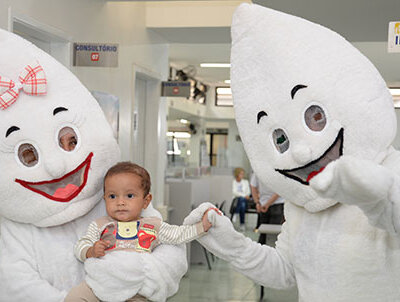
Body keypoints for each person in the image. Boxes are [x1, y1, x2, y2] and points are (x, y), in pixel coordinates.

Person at [65, 162, 215, 302]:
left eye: (129, 196)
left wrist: (202, 227)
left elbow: (178, 235)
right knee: (75, 296)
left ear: (146, 200)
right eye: (112, 196)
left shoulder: (152, 225)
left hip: (136, 289)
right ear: (105, 199)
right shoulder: (101, 225)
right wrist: (91, 251)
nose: (120, 202)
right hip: (102, 284)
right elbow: (81, 244)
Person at [250, 173, 284, 245]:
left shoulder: (258, 169)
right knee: (271, 234)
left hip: (269, 204)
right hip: (272, 204)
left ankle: (263, 252)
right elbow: (280, 190)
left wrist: (258, 203)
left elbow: (253, 187)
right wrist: (259, 203)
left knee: (267, 233)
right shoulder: (276, 169)